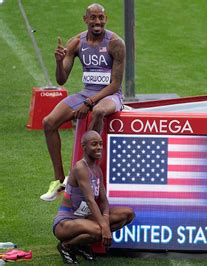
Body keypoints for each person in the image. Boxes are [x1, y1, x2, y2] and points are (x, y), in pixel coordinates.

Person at [41, 3, 125, 201]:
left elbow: (115, 85)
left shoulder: (115, 43)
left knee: (97, 112)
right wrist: (58, 62)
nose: (97, 22)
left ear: (106, 19)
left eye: (101, 18)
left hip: (110, 96)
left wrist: (89, 103)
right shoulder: (76, 43)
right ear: (85, 19)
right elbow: (61, 80)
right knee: (48, 122)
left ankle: (80, 169)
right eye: (93, 18)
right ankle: (58, 179)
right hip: (86, 93)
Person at [52, 130, 135, 264]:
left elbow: (103, 200)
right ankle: (66, 246)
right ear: (84, 146)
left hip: (85, 218)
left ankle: (81, 244)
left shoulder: (96, 169)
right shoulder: (80, 167)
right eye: (94, 144)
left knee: (127, 214)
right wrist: (104, 227)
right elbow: (90, 200)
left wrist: (106, 218)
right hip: (66, 222)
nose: (99, 147)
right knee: (98, 230)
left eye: (100, 144)